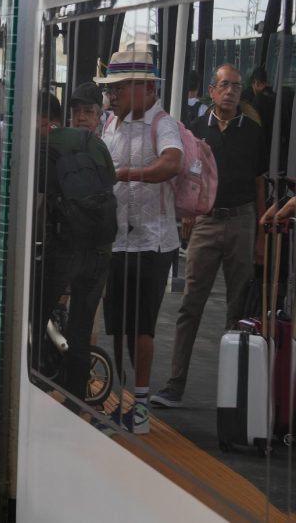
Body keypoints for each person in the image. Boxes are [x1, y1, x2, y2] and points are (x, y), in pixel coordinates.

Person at [152, 64, 265, 408]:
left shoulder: (253, 131)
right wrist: (189, 213)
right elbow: (189, 177)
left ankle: (234, 395)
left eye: (236, 86)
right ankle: (175, 385)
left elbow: (259, 182)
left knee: (237, 310)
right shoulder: (197, 131)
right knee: (190, 306)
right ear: (212, 91)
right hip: (206, 222)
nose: (231, 91)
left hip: (243, 220)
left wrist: (260, 233)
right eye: (224, 85)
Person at [93, 49, 182, 435]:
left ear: (144, 88)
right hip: (116, 242)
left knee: (140, 326)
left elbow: (172, 162)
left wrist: (129, 173)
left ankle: (141, 409)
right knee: (117, 325)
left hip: (152, 242)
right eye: (110, 87)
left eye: (118, 87)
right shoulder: (110, 123)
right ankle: (122, 400)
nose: (111, 94)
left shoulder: (162, 123)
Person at [33, 93, 115, 403]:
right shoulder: (93, 142)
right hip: (101, 246)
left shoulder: (43, 148)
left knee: (33, 317)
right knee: (81, 328)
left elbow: (34, 204)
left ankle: (35, 386)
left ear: (41, 120)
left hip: (65, 247)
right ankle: (76, 400)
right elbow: (110, 181)